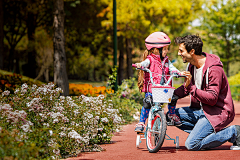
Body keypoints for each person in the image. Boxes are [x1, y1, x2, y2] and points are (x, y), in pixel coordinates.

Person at [170, 34, 240, 151]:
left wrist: (191, 87)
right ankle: (208, 134)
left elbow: (212, 99)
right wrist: (170, 96)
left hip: (217, 112)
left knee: (192, 144)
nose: (179, 53)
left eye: (181, 50)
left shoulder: (214, 69)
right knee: (171, 117)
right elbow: (187, 87)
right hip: (201, 110)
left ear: (192, 51)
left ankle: (233, 132)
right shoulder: (191, 66)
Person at [134, 31, 181, 132]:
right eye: (165, 49)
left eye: (167, 49)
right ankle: (141, 122)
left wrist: (177, 72)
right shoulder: (150, 59)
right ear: (156, 49)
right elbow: (145, 63)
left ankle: (171, 115)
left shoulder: (167, 60)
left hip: (164, 88)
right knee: (147, 102)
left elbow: (172, 68)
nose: (166, 51)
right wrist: (140, 65)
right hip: (152, 89)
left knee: (173, 98)